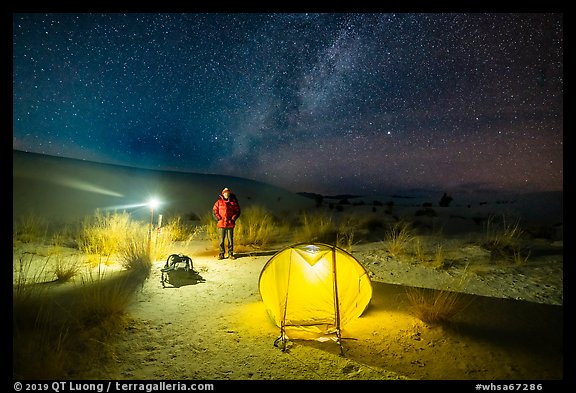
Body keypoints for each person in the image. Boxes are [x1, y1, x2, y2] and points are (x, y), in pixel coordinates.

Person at [212, 187, 241, 260]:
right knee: (221, 240)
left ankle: (230, 254)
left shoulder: (233, 202)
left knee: (230, 240)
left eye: (228, 193)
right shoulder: (219, 202)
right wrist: (219, 218)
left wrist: (233, 218)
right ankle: (221, 254)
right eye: (225, 193)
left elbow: (237, 211)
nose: (226, 194)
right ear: (223, 194)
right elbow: (214, 211)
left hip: (230, 224)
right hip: (221, 224)